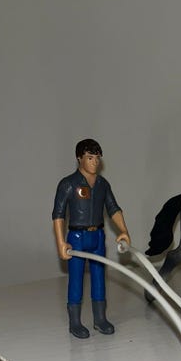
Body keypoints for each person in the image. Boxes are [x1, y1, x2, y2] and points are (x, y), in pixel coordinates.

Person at [52, 139, 131, 339]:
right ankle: (75, 322)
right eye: (89, 157)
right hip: (77, 238)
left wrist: (123, 230)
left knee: (99, 278)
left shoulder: (103, 185)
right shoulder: (68, 184)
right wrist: (61, 242)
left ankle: (100, 318)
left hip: (98, 236)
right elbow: (58, 215)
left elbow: (113, 209)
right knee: (76, 279)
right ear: (79, 158)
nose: (94, 162)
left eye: (97, 158)